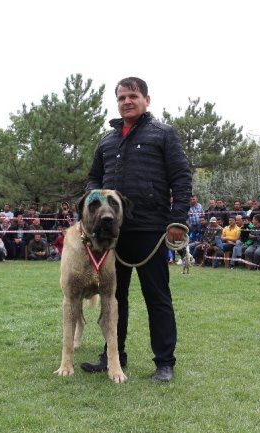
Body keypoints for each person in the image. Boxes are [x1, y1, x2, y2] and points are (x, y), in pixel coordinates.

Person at [80, 77, 191, 382]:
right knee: (113, 298)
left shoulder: (164, 134)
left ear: (146, 99)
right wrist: (94, 203)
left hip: (152, 230)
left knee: (157, 297)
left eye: (132, 96)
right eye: (121, 97)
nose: (126, 102)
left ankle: (165, 363)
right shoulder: (107, 140)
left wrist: (178, 220)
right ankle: (113, 356)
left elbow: (181, 178)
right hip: (111, 234)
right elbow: (93, 179)